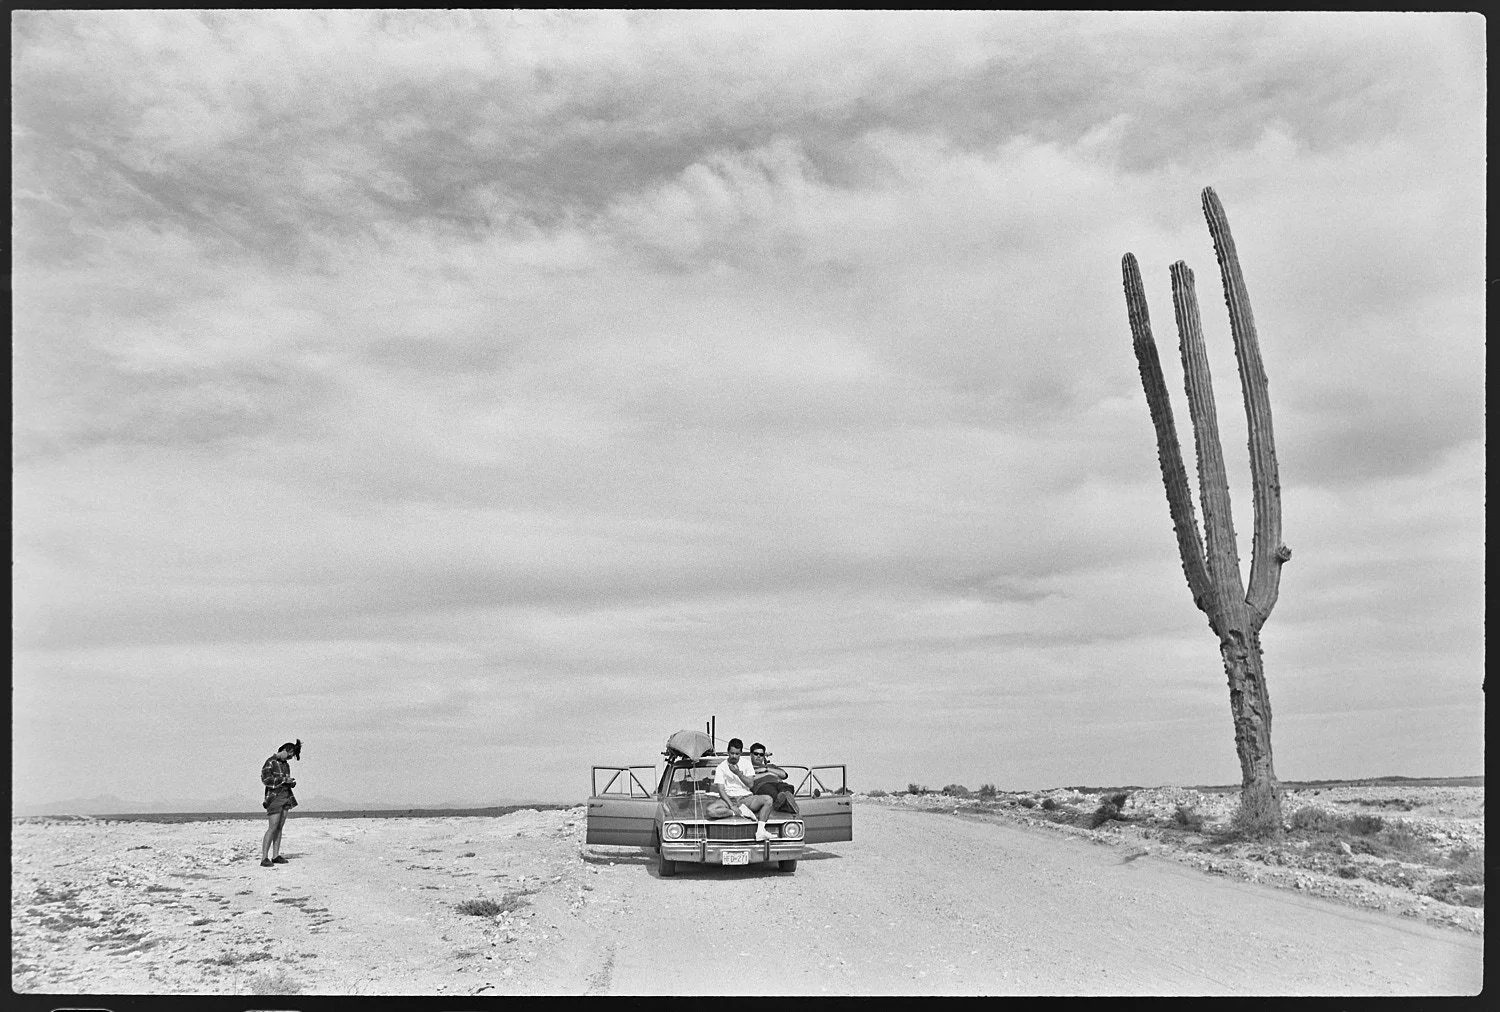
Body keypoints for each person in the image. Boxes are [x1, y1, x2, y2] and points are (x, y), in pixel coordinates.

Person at [713, 738, 775, 841]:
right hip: (727, 799)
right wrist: (732, 806)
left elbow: (750, 784)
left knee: (768, 800)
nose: (734, 756)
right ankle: (739, 812)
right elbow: (721, 789)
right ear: (728, 752)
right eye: (732, 753)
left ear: (740, 753)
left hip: (745, 798)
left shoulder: (746, 764)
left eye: (737, 754)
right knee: (711, 811)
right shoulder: (721, 767)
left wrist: (738, 773)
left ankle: (760, 831)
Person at [260, 739, 301, 868]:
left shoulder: (285, 765)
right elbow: (266, 780)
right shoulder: (270, 762)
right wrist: (284, 780)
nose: (290, 757)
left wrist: (290, 783)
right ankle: (264, 858)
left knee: (279, 827)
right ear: (284, 750)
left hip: (286, 796)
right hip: (274, 798)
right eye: (290, 754)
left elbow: (282, 781)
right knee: (272, 827)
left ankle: (275, 855)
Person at [748, 742, 799, 814]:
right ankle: (788, 805)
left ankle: (785, 802)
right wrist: (768, 774)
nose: (758, 756)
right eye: (756, 754)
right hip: (762, 786)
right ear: (751, 755)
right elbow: (748, 780)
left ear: (764, 756)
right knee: (772, 791)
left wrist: (767, 769)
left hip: (778, 783)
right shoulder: (747, 767)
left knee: (787, 788)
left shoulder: (771, 766)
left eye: (761, 754)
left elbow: (784, 775)